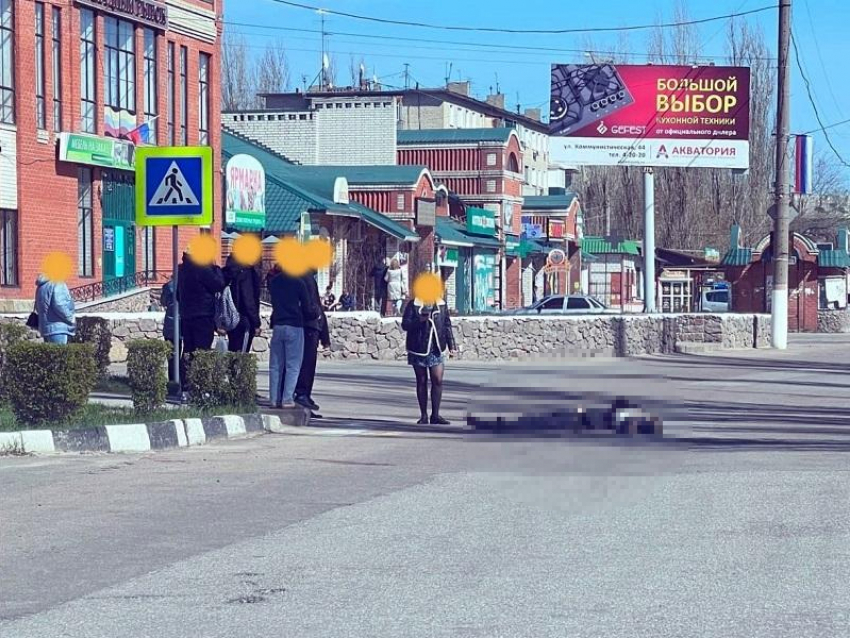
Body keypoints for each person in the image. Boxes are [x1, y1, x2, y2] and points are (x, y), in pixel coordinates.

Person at [268, 268, 321, 409]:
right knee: (293, 365)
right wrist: (316, 312)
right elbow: (308, 309)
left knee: (275, 365)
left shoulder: (274, 282)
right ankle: (287, 399)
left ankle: (274, 399)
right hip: (294, 326)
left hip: (278, 325)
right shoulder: (298, 283)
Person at [401, 295, 456, 425]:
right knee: (422, 380)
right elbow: (405, 325)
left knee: (437, 379)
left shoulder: (441, 304)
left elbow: (447, 324)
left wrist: (452, 345)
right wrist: (419, 320)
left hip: (437, 346)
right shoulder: (413, 304)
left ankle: (435, 415)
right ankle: (424, 415)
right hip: (418, 346)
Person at [177, 251, 225, 390]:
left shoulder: (183, 269)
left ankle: (185, 385)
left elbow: (178, 296)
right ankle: (200, 386)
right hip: (203, 315)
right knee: (202, 351)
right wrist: (215, 268)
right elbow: (218, 284)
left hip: (186, 315)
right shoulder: (203, 267)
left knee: (188, 350)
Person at [295, 270, 331, 412]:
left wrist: (324, 335)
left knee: (306, 364)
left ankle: (304, 396)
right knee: (306, 364)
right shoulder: (304, 278)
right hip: (309, 326)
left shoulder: (305, 277)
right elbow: (313, 305)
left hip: (309, 326)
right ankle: (302, 395)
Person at [223, 254, 262, 353]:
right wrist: (256, 323)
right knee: (242, 355)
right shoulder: (246, 273)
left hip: (231, 318)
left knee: (233, 351)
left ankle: (233, 368)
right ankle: (239, 369)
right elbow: (248, 300)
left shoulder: (228, 271)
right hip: (244, 319)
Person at [35, 275, 75, 344]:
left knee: (51, 353)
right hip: (58, 328)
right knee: (60, 353)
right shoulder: (58, 282)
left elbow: (37, 307)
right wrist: (70, 317)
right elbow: (59, 305)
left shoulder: (41, 286)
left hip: (46, 328)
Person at [160, 277, 179, 386]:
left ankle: (172, 381)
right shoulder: (187, 284)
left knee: (171, 355)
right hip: (182, 324)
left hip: (170, 324)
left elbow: (163, 302)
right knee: (183, 354)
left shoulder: (168, 286)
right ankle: (181, 380)